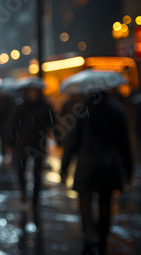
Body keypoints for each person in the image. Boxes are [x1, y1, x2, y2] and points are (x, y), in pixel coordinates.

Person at [61, 92, 132, 255]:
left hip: (87, 164)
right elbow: (124, 143)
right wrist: (128, 170)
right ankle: (103, 235)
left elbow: (72, 142)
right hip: (108, 165)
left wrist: (64, 168)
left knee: (85, 199)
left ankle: (89, 231)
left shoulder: (81, 110)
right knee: (105, 201)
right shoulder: (117, 110)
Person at [7, 87, 54, 217]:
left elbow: (52, 123)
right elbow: (13, 124)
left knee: (37, 173)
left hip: (38, 144)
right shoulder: (21, 106)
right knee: (21, 171)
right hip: (22, 144)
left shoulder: (45, 107)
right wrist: (10, 142)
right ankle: (23, 192)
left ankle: (34, 200)